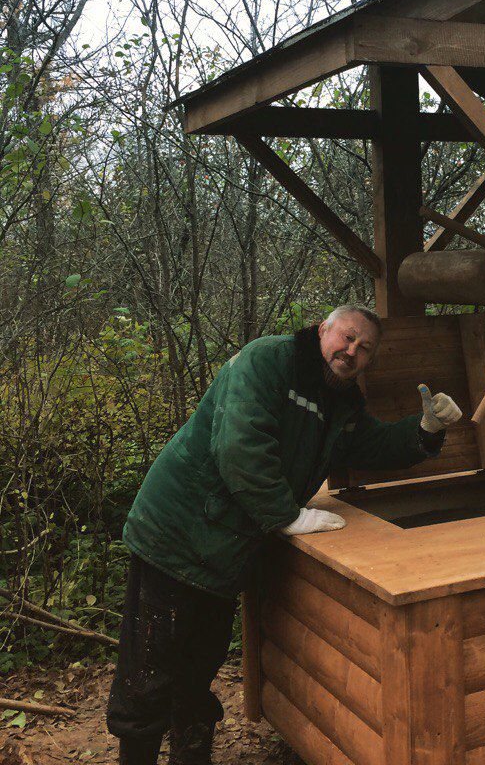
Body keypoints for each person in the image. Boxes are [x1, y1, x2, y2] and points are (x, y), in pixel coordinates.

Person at [106, 304, 462, 765]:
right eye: (347, 337)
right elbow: (240, 447)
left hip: (224, 551)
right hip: (176, 535)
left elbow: (373, 444)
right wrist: (285, 515)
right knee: (149, 675)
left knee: (197, 670)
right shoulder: (267, 361)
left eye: (365, 348)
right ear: (322, 331)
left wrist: (426, 429)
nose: (352, 351)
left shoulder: (341, 402)